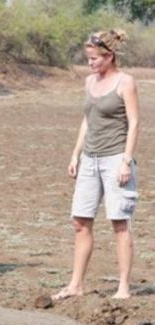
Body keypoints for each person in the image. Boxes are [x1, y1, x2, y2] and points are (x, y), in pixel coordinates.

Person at [53, 29, 139, 300]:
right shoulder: (90, 82)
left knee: (119, 223)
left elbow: (134, 123)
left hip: (115, 158)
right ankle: (76, 284)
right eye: (88, 58)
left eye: (94, 59)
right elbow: (87, 119)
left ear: (109, 56)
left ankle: (123, 286)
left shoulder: (126, 82)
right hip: (90, 158)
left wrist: (126, 161)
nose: (90, 63)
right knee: (80, 221)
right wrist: (75, 154)